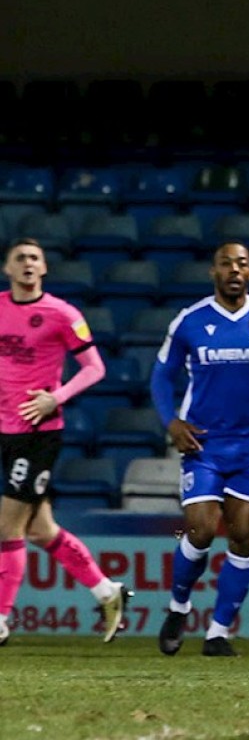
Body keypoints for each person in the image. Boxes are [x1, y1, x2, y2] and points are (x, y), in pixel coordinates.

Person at [150, 240, 249, 658]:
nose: (234, 270)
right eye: (225, 263)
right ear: (213, 272)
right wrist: (171, 422)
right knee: (200, 530)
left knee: (243, 537)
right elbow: (161, 376)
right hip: (204, 444)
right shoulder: (190, 321)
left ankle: (217, 633)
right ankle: (179, 607)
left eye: (242, 264)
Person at [0, 237, 131, 645]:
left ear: (44, 269)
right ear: (7, 268)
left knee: (6, 527)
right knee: (41, 531)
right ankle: (107, 592)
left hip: (39, 434)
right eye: (20, 258)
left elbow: (95, 368)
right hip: (5, 432)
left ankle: (0, 618)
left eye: (34, 258)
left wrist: (54, 398)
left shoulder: (62, 314)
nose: (27, 263)